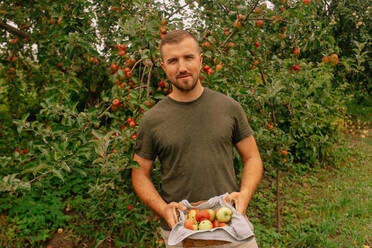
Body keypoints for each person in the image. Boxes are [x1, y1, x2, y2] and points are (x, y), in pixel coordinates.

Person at [132, 30, 263, 248]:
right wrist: (163, 208)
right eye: (173, 61)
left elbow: (252, 158)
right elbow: (139, 174)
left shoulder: (228, 108)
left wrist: (245, 194)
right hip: (182, 230)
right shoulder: (152, 119)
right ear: (164, 68)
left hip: (230, 224)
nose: (182, 67)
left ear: (200, 61)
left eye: (188, 58)